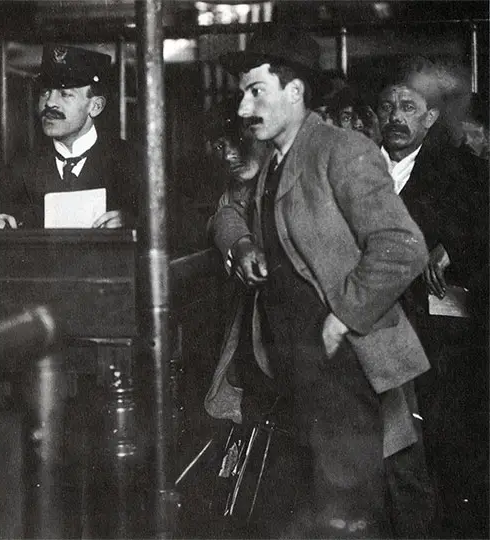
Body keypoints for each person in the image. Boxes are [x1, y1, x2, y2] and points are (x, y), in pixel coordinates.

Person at [205, 27, 435, 538]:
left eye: (255, 92)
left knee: (351, 510)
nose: (244, 108)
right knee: (323, 507)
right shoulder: (274, 164)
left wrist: (343, 317)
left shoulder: (341, 151)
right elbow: (235, 215)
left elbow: (403, 246)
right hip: (295, 367)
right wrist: (251, 249)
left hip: (345, 366)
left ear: (296, 92)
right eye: (243, 94)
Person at [377, 56, 489, 537]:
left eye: (408, 107)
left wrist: (449, 248)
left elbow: (477, 229)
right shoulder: (357, 168)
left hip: (437, 339)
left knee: (445, 447)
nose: (396, 117)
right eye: (387, 107)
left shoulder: (461, 171)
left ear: (431, 117)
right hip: (376, 332)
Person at [0, 44, 139, 229]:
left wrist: (133, 223)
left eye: (65, 94)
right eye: (45, 92)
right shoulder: (20, 168)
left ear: (95, 106)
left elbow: (178, 221)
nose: (50, 103)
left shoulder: (131, 161)